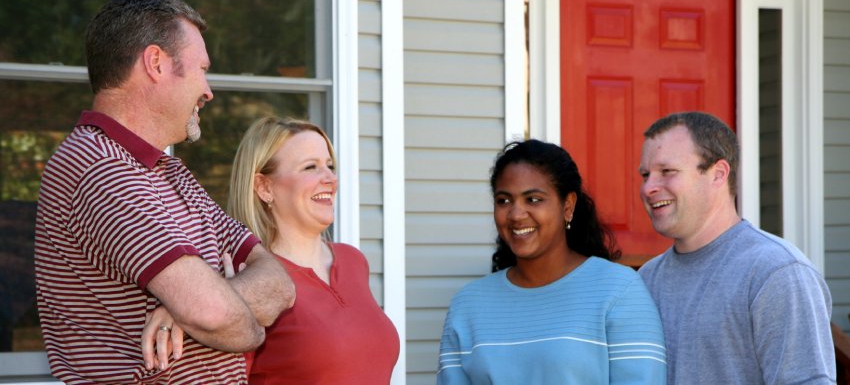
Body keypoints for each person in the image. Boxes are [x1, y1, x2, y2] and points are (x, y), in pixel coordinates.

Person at [33, 0, 295, 383]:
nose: (208, 91)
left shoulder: (170, 174)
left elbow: (279, 282)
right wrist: (241, 324)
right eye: (201, 69)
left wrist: (188, 311)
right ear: (156, 63)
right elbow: (219, 317)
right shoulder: (100, 168)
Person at [438, 139, 667, 384]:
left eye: (533, 199)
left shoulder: (619, 290)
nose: (516, 214)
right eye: (504, 200)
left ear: (567, 206)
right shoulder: (468, 305)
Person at [637, 111, 836, 384]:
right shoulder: (647, 279)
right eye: (646, 174)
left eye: (667, 171)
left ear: (718, 174)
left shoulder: (776, 272)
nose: (649, 187)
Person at [227, 116, 400, 384]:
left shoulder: (353, 261)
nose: (330, 178)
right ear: (264, 187)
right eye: (310, 167)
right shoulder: (247, 278)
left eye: (330, 166)